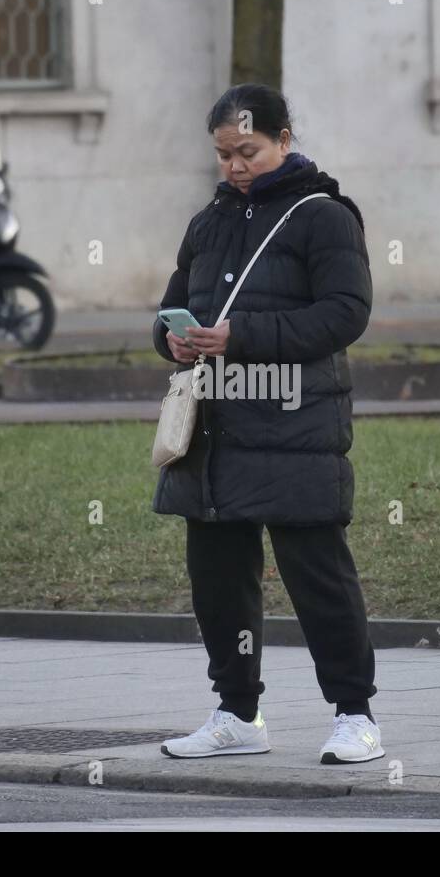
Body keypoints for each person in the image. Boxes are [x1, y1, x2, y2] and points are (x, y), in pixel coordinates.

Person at [151, 83, 382, 765]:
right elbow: (169, 308)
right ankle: (237, 713)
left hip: (294, 425)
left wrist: (241, 336)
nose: (235, 166)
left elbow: (345, 314)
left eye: (247, 151)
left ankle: (354, 714)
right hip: (214, 432)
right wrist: (175, 340)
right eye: (224, 154)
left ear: (284, 139)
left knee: (317, 572)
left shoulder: (324, 217)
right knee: (219, 579)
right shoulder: (209, 222)